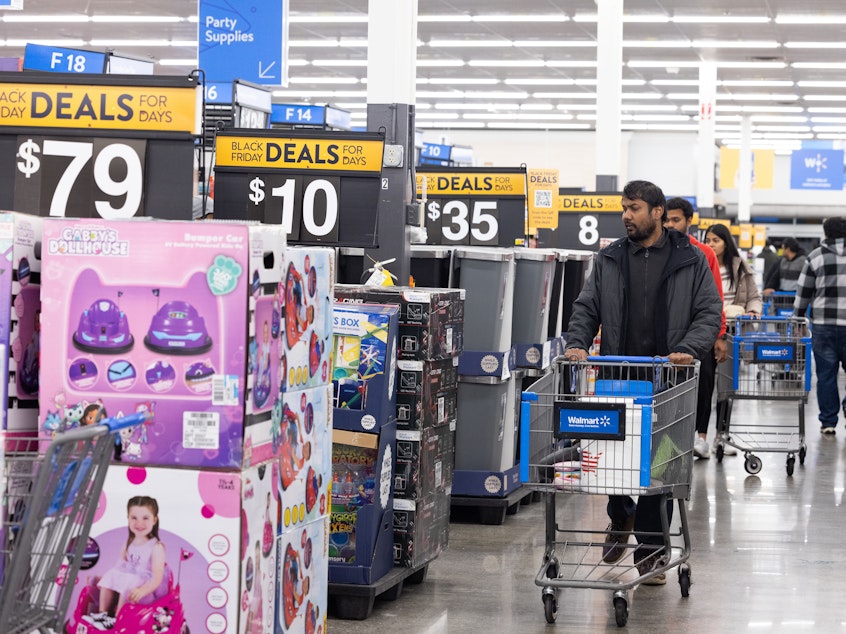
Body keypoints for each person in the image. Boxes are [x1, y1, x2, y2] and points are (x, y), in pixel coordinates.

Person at [565, 180, 721, 585]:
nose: (626, 216)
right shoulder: (611, 257)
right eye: (624, 208)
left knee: (660, 465)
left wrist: (690, 348)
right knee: (612, 458)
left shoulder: (691, 258)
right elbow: (587, 307)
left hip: (670, 377)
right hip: (620, 374)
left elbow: (709, 312)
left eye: (633, 208)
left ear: (656, 212)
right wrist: (578, 344)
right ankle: (620, 515)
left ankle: (651, 551)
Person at [664, 198, 727, 460]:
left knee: (703, 384)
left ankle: (701, 437)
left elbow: (715, 298)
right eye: (666, 219)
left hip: (700, 334)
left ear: (690, 222)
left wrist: (719, 334)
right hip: (669, 335)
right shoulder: (657, 252)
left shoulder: (703, 254)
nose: (670, 225)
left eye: (676, 220)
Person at [704, 223, 763, 452]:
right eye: (708, 240)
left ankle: (722, 435)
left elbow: (754, 296)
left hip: (732, 331)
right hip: (707, 330)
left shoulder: (739, 267)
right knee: (705, 385)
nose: (711, 245)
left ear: (726, 243)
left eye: (715, 240)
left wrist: (753, 311)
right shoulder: (703, 264)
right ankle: (701, 437)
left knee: (726, 387)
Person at [794, 217, 846, 434]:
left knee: (825, 375)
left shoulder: (815, 257)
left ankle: (828, 422)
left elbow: (803, 292)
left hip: (824, 326)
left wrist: (798, 318)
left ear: (826, 233)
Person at [84, 496, 167, 631]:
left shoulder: (156, 547)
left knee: (130, 579)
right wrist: (104, 579)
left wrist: (143, 590)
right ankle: (103, 614)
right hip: (128, 585)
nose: (139, 523)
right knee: (112, 573)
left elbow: (156, 579)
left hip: (145, 591)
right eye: (134, 518)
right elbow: (119, 567)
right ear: (128, 519)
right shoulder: (129, 542)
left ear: (154, 520)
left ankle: (116, 618)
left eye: (145, 518)